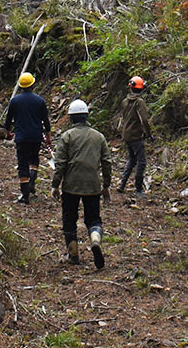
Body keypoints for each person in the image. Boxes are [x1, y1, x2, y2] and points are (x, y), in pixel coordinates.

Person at [51, 99, 112, 268]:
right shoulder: (98, 136)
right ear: (86, 117)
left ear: (71, 118)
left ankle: (73, 255)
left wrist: (55, 185)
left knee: (69, 220)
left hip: (71, 186)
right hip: (92, 186)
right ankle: (95, 240)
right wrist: (106, 185)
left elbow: (60, 163)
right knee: (94, 219)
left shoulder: (67, 136)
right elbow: (107, 162)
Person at [3, 72, 52, 204]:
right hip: (36, 136)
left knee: (22, 163)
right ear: (33, 85)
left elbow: (8, 120)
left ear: (21, 86)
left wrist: (7, 133)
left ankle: (25, 195)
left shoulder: (15, 101)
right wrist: (48, 136)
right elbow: (46, 121)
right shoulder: (40, 101)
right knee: (34, 159)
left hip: (21, 137)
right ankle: (31, 182)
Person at [117, 75, 152, 198]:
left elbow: (122, 119)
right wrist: (149, 134)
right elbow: (144, 120)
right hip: (136, 136)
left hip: (126, 135)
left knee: (131, 160)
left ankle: (122, 185)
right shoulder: (139, 102)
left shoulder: (125, 101)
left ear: (130, 88)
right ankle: (138, 189)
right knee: (141, 162)